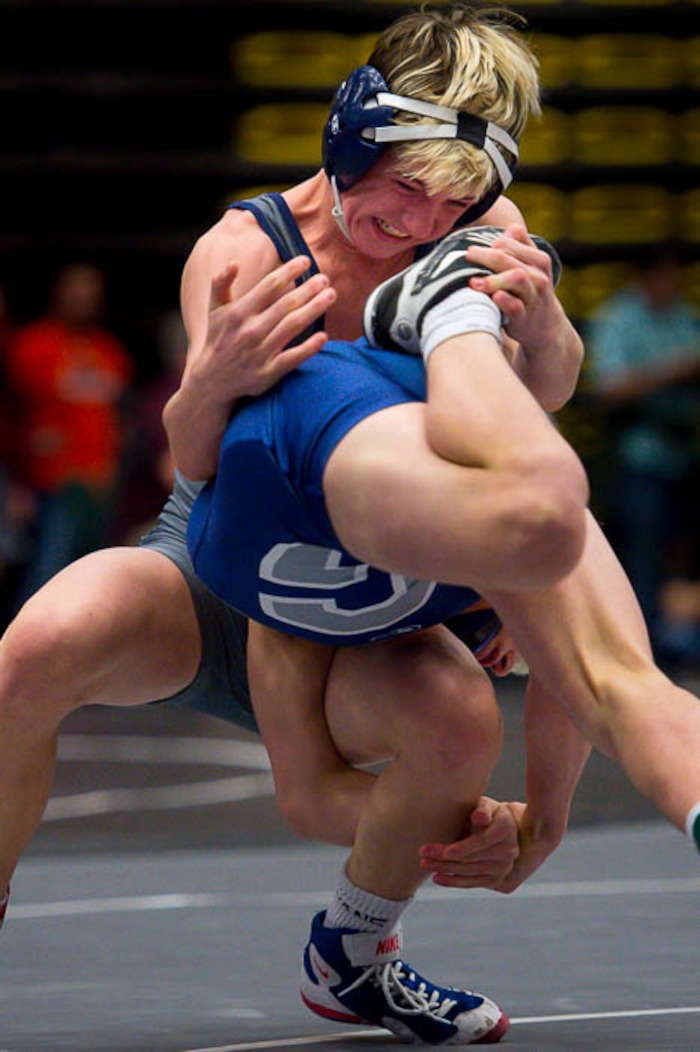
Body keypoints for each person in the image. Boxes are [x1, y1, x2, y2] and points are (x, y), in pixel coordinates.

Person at [0, 2, 696, 1045]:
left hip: (380, 574)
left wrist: (545, 325)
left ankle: (355, 952)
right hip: (229, 555)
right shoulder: (248, 251)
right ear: (347, 139)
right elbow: (189, 459)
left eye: (447, 202)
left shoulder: (479, 235)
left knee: (462, 719)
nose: (416, 222)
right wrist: (213, 383)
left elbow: (543, 400)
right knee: (37, 646)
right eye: (402, 185)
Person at [586, 245, 700, 657]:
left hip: (683, 451)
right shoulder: (619, 319)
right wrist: (674, 372)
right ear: (645, 276)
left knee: (681, 551)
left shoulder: (684, 316)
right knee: (642, 551)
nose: (673, 285)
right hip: (636, 453)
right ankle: (638, 648)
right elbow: (610, 389)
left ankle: (674, 640)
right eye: (666, 276)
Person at [5, 261, 134, 608]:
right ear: (59, 293)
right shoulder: (32, 346)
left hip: (100, 482)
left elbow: (119, 415)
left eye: (92, 291)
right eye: (77, 289)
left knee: (92, 579)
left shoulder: (110, 351)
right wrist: (18, 481)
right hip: (51, 483)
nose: (85, 297)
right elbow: (13, 415)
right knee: (46, 575)